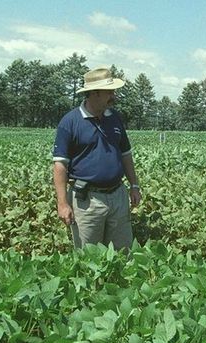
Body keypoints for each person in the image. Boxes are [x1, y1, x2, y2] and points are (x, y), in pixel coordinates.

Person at [52, 66, 141, 251]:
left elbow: (125, 154)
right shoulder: (70, 122)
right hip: (87, 201)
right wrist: (62, 203)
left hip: (118, 196)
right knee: (89, 257)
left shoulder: (115, 117)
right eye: (109, 91)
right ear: (94, 93)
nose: (113, 95)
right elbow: (60, 165)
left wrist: (134, 185)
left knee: (123, 254)